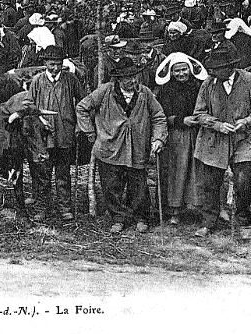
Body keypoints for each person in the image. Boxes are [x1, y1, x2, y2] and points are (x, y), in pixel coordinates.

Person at [76, 57, 167, 233]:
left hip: (137, 147)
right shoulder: (105, 91)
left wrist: (158, 139)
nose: (133, 80)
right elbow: (82, 108)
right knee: (111, 186)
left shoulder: (145, 93)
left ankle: (141, 217)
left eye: (135, 76)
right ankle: (118, 217)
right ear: (118, 79)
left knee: (138, 185)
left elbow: (159, 117)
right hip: (110, 147)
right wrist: (90, 133)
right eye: (127, 77)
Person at [21, 45, 85, 220]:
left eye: (58, 64)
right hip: (43, 137)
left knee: (63, 174)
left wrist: (80, 123)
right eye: (51, 64)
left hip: (65, 133)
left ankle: (65, 208)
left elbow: (83, 102)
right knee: (43, 175)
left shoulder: (70, 80)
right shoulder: (37, 81)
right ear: (45, 63)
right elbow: (28, 104)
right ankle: (42, 208)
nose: (55, 68)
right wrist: (40, 120)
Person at [192, 46, 251, 237]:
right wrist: (217, 124)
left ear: (229, 68)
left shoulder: (248, 80)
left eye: (218, 69)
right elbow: (199, 114)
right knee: (210, 182)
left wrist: (246, 121)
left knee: (244, 180)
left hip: (243, 139)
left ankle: (243, 221)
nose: (214, 73)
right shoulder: (208, 84)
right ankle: (208, 222)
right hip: (214, 140)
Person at [155, 52, 207, 224]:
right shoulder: (166, 90)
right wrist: (180, 120)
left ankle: (197, 207)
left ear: (190, 69)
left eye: (184, 69)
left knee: (196, 171)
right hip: (176, 136)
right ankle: (174, 211)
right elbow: (161, 115)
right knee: (176, 172)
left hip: (198, 134)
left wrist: (198, 119)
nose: (181, 74)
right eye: (177, 71)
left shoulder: (199, 86)